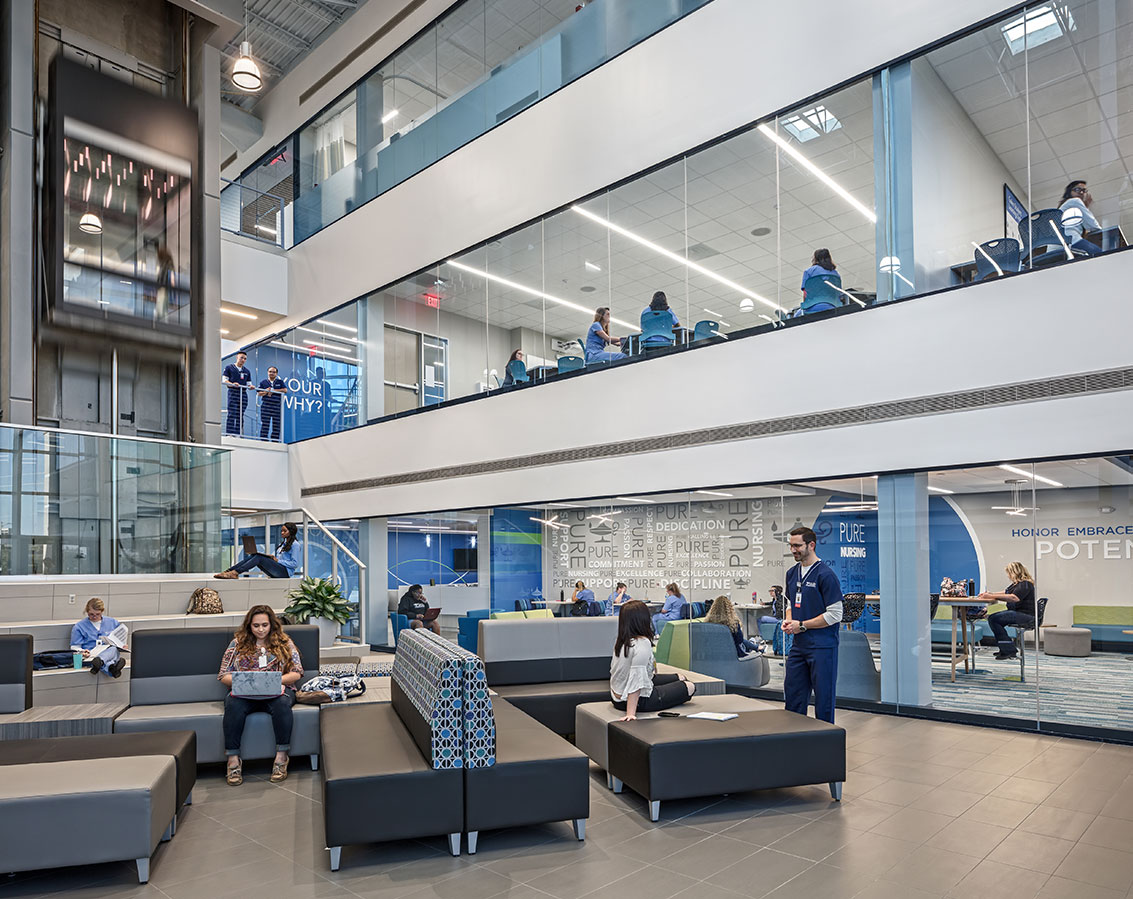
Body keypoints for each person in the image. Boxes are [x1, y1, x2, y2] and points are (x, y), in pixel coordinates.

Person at [218, 605, 303, 785]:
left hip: (277, 692)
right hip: (245, 694)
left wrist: (273, 682)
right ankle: (233, 761)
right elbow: (223, 674)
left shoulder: (284, 642)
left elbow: (297, 672)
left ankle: (281, 758)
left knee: (282, 704)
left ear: (272, 624)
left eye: (264, 625)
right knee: (232, 705)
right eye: (256, 626)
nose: (261, 629)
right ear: (249, 626)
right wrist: (246, 683)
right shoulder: (237, 644)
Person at [782, 526, 843, 724]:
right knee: (793, 696)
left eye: (797, 545)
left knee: (823, 701)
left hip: (822, 646)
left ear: (811, 545)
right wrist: (790, 620)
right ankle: (795, 741)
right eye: (791, 546)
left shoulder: (825, 575)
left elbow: (835, 614)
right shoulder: (792, 573)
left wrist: (803, 625)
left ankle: (825, 747)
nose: (793, 550)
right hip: (799, 646)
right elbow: (791, 603)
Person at [610, 600, 696, 720]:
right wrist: (630, 714)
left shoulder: (622, 641)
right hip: (637, 700)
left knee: (680, 677)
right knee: (690, 686)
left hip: (616, 698)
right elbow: (636, 678)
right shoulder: (642, 643)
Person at [981, 561, 1036, 660]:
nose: (1008, 576)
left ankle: (1008, 650)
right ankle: (1006, 648)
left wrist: (991, 596)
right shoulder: (1017, 584)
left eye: (1009, 573)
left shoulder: (1025, 584)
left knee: (994, 619)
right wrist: (991, 594)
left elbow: (1014, 597)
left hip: (1026, 616)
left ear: (1015, 572)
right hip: (1020, 614)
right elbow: (1006, 592)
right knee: (993, 618)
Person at [215, 521, 302, 579]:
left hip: (285, 573)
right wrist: (273, 558)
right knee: (255, 555)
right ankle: (229, 571)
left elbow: (295, 564)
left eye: (284, 531)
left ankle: (235, 573)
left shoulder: (295, 545)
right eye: (281, 531)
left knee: (259, 558)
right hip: (279, 569)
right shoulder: (283, 543)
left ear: (291, 532)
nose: (282, 533)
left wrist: (278, 561)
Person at [70, 598, 126, 678]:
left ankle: (100, 662)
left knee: (113, 649)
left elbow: (120, 640)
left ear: (102, 611)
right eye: (91, 614)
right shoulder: (79, 626)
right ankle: (112, 668)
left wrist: (123, 645)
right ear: (87, 612)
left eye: (98, 614)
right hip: (90, 654)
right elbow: (74, 646)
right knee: (111, 657)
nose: (94, 617)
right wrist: (82, 651)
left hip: (109, 652)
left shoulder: (112, 622)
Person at [1058, 180, 1102, 257]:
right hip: (1071, 241)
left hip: (1057, 248)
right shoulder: (1075, 201)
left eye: (1084, 191)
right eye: (1077, 189)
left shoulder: (1065, 206)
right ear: (1069, 192)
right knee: (1102, 254)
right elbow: (1093, 226)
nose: (1081, 193)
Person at [222, 352, 252, 436]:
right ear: (237, 357)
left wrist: (251, 386)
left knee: (240, 414)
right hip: (233, 393)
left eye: (245, 359)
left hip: (243, 394)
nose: (243, 360)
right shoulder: (229, 368)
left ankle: (238, 434)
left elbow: (249, 384)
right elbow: (224, 380)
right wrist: (232, 384)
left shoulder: (247, 371)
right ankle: (229, 433)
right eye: (241, 358)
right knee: (232, 413)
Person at [257, 366, 287, 442]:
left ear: (276, 374)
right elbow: (259, 393)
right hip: (266, 405)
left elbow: (285, 390)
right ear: (268, 372)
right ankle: (264, 440)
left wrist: (273, 390)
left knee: (276, 424)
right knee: (265, 423)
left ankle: (275, 440)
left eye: (273, 372)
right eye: (270, 371)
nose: (272, 373)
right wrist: (266, 392)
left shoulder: (280, 382)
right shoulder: (263, 382)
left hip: (276, 405)